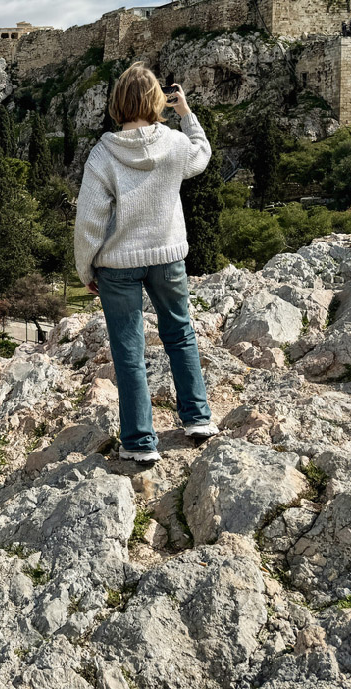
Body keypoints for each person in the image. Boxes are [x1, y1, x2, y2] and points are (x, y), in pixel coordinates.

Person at [73, 62, 218, 463]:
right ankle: (197, 419)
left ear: (117, 103)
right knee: (181, 335)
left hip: (117, 265)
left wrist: (86, 269)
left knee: (129, 352)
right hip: (168, 255)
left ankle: (139, 443)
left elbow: (89, 221)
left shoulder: (103, 153)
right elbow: (201, 155)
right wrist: (186, 112)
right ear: (158, 101)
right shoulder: (173, 142)